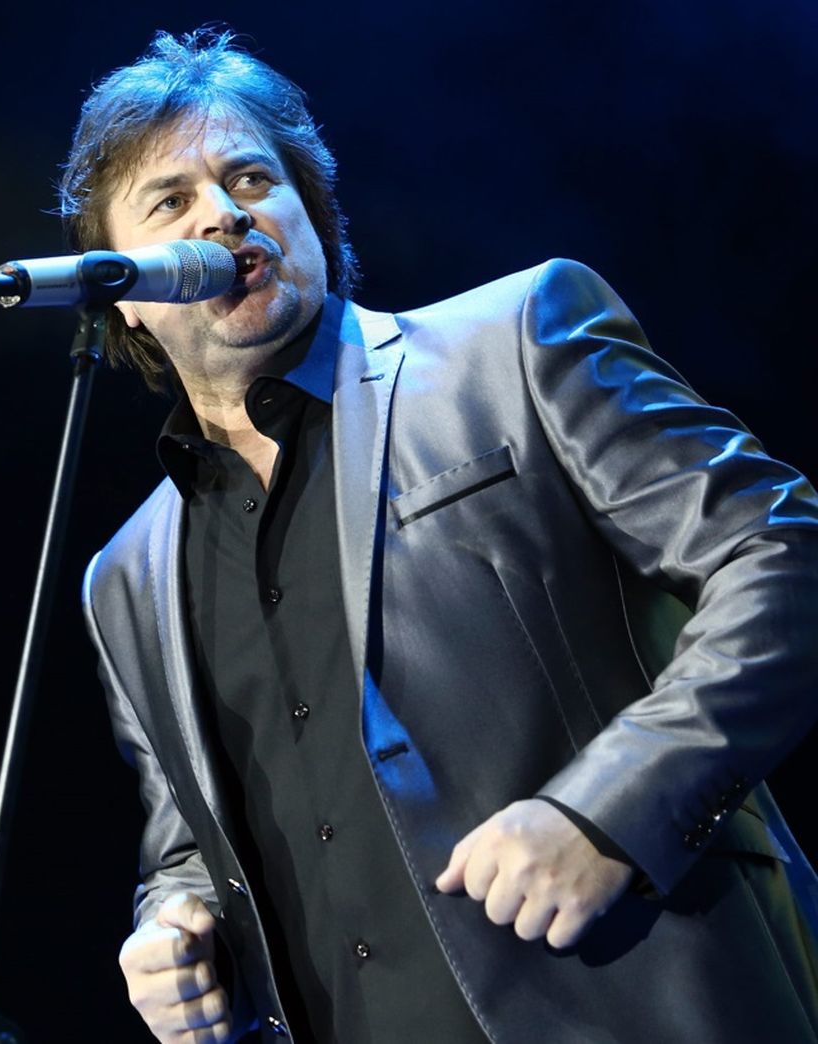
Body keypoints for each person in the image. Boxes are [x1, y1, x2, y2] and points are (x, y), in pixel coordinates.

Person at [67, 28, 818, 1044]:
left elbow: (784, 554)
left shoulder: (510, 346)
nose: (224, 212)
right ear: (123, 298)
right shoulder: (126, 577)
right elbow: (188, 846)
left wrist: (612, 812)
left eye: (251, 177)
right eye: (171, 202)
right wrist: (171, 932)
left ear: (311, 213)